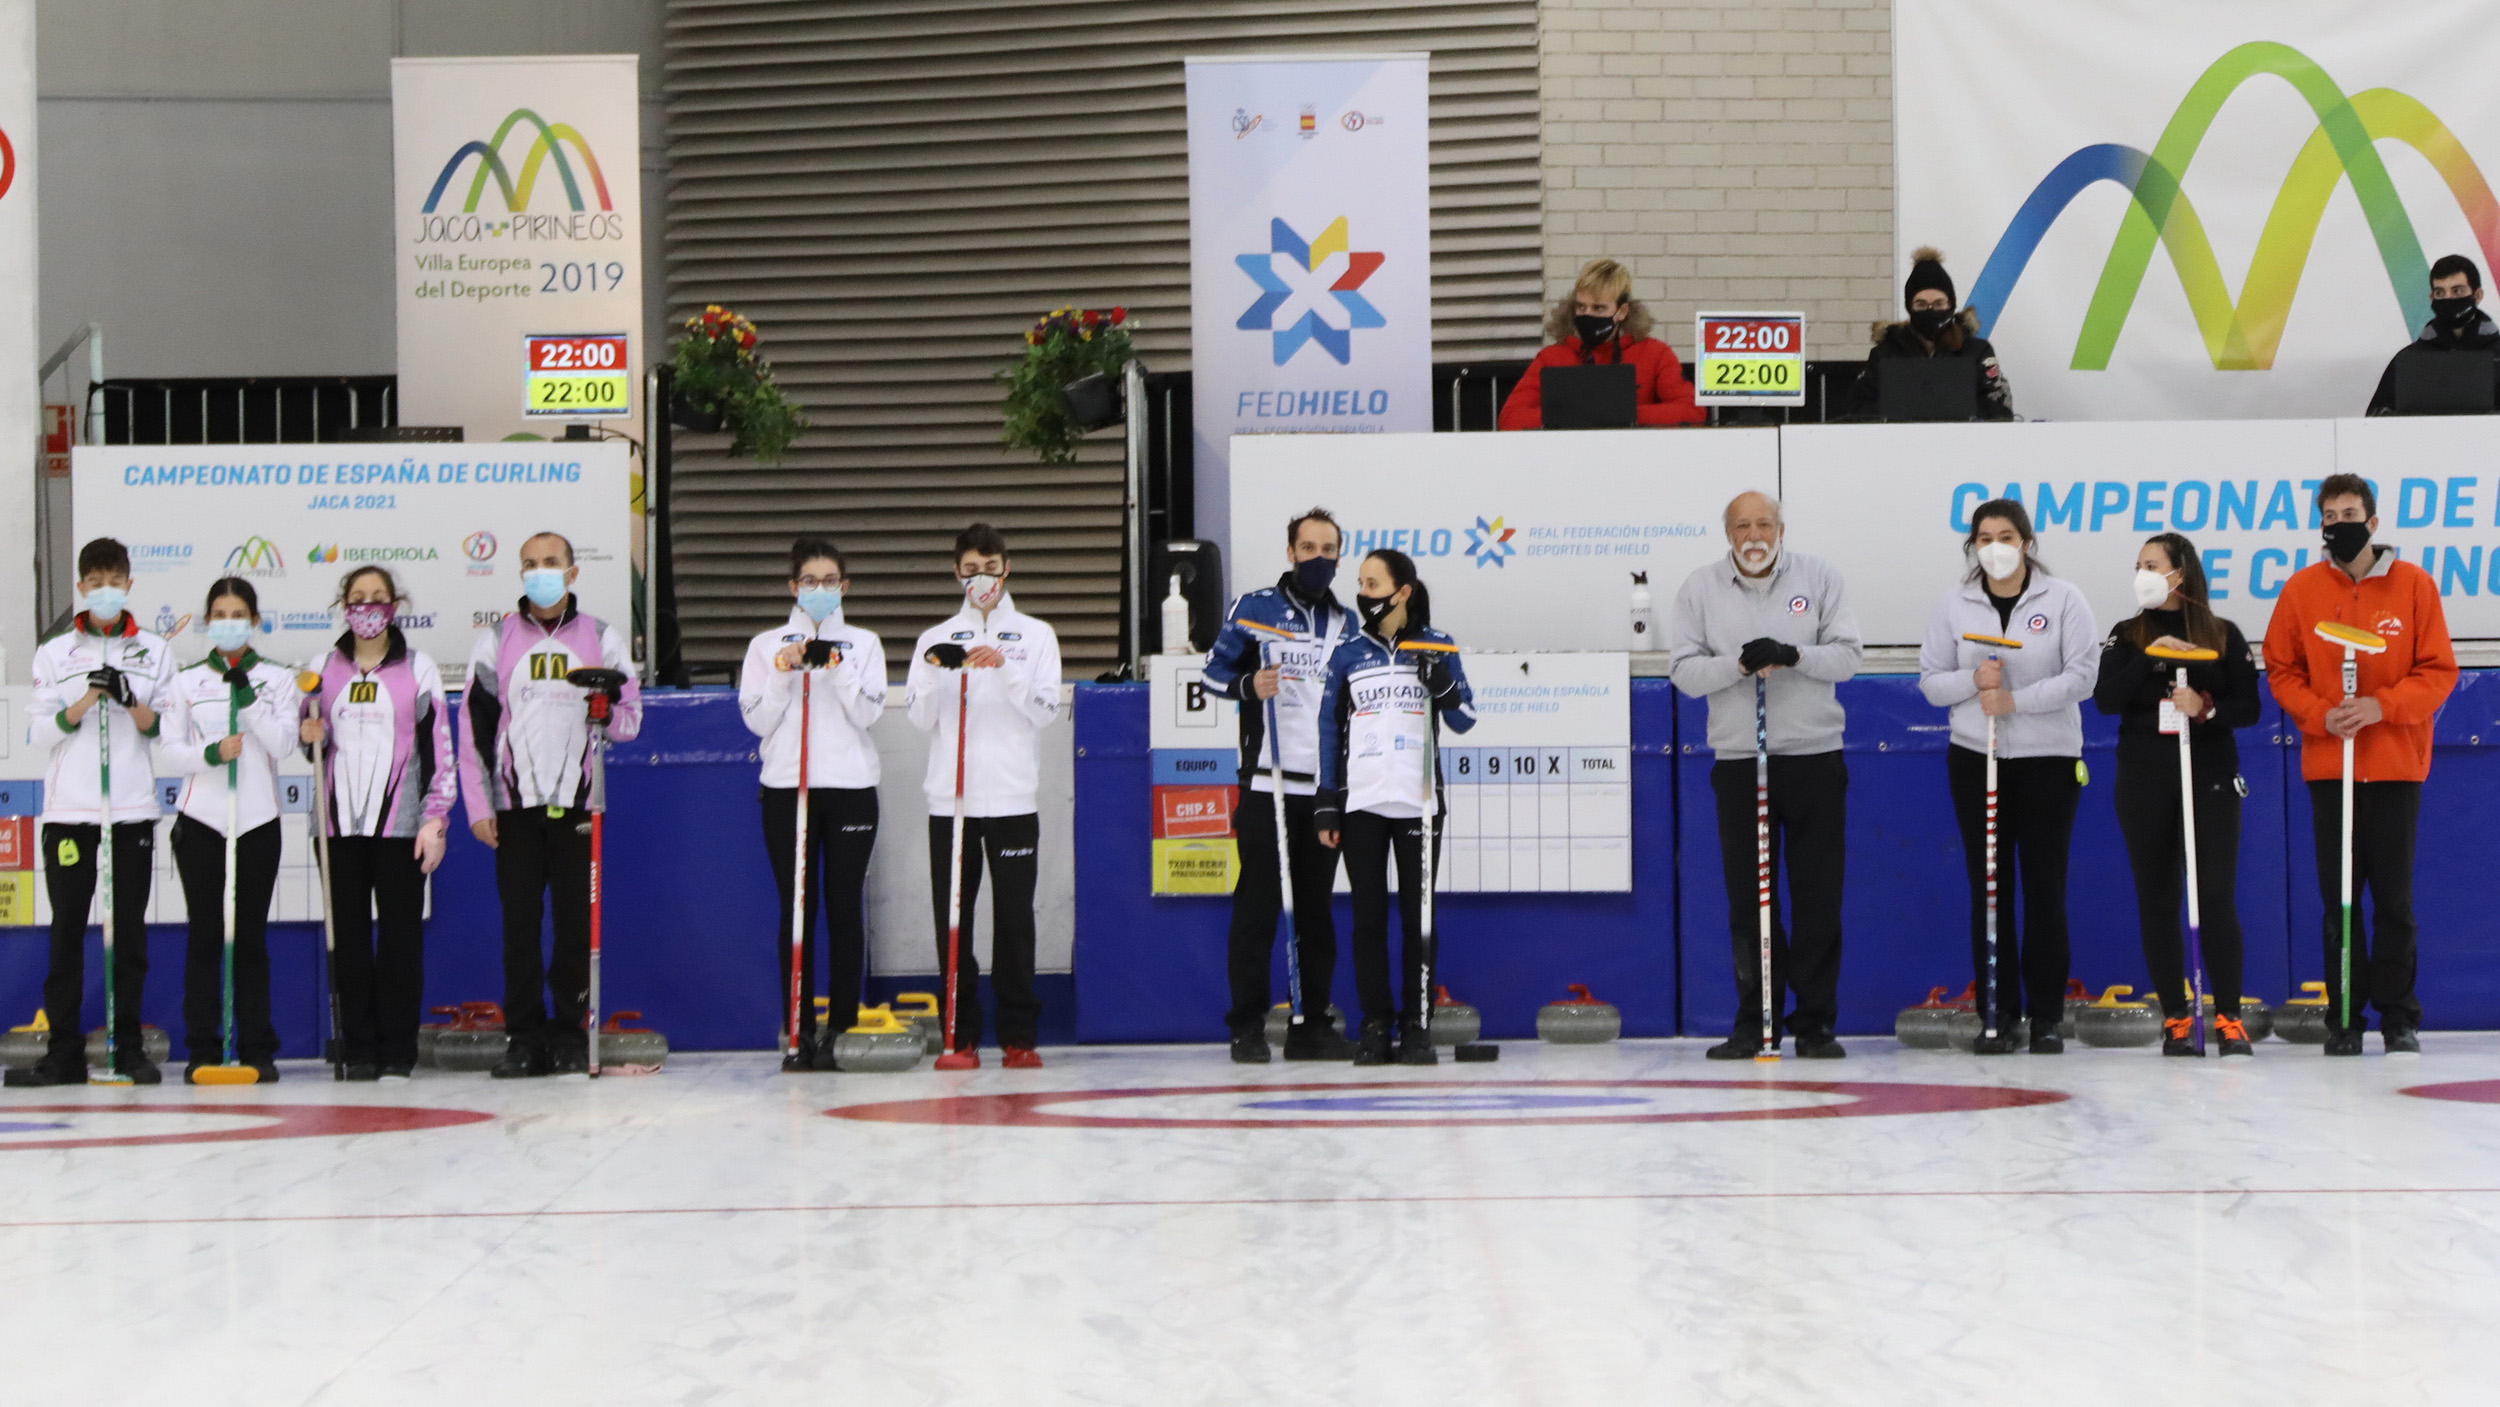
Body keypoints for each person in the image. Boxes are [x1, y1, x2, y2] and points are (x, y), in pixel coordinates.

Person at [2262, 474, 2457, 1056]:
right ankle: (2344, 1017)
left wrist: (2381, 706)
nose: (2339, 523)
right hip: (2331, 769)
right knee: (2340, 899)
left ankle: (2399, 1017)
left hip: (2396, 765)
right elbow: (2281, 669)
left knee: (2393, 899)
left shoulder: (2414, 585)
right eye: (2330, 514)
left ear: (2372, 522)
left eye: (2350, 512)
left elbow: (2438, 670)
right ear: (2320, 525)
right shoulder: (2301, 590)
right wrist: (2322, 716)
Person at [1667, 491, 1862, 1060]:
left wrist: (1794, 654)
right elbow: (1681, 671)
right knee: (1750, 899)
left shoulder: (1820, 578)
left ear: (1782, 529)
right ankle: (1756, 1021)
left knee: (1819, 895)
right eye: (1742, 526)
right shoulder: (1699, 588)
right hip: (1739, 764)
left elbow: (1848, 658)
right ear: (1727, 533)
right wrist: (1736, 666)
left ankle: (1816, 1022)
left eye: (1765, 524)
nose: (1754, 535)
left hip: (1814, 757)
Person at [458, 531, 642, 1078]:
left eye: (551, 562)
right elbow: (473, 729)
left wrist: (604, 710)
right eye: (530, 564)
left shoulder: (601, 638)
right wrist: (478, 806)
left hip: (579, 805)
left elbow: (631, 722)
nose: (541, 572)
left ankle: (568, 1035)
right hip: (514, 807)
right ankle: (523, 1039)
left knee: (573, 927)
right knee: (519, 926)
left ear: (571, 573)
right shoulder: (496, 640)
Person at [1917, 499, 2094, 1054]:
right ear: (1972, 545)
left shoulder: (2063, 598)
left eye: (2007, 536)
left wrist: (2015, 700)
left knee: (2045, 888)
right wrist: (1974, 680)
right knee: (1989, 891)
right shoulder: (1954, 605)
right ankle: (1998, 1013)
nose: (1996, 546)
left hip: (2048, 761)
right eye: (1985, 537)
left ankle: (2045, 1017)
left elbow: (2082, 676)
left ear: (2026, 542)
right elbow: (1930, 682)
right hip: (1976, 758)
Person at [6, 539, 174, 1087]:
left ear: (128, 584)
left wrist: (130, 700)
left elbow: (164, 733)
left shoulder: (154, 650)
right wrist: (82, 703)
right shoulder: (56, 651)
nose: (105, 589)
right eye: (94, 580)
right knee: (67, 933)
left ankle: (126, 1048)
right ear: (81, 587)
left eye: (114, 579)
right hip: (70, 812)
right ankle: (63, 1052)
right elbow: (37, 732)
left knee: (129, 934)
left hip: (130, 812)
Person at [2093, 534, 2262, 1057]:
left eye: (2153, 564)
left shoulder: (2223, 633)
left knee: (2214, 898)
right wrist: (2154, 656)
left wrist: (2204, 706)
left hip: (2209, 776)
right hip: (2144, 779)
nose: (2142, 572)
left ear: (2180, 573)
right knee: (2159, 899)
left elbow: (2250, 707)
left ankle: (2229, 1018)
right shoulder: (2126, 634)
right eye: (2138, 564)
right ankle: (2176, 1019)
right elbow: (2105, 700)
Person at [1201, 507, 1360, 1063]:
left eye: (1329, 548)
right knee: (1258, 908)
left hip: (1321, 794)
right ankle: (1245, 1025)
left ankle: (1310, 1024)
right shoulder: (1256, 607)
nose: (1318, 557)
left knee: (1315, 913)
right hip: (1267, 786)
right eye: (1308, 547)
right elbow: (1212, 674)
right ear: (1290, 552)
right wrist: (1249, 683)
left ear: (1340, 555)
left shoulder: (1348, 623)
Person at [905, 522, 1062, 1069]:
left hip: (1014, 802)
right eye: (970, 571)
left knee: (1015, 920)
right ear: (956, 574)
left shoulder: (1037, 635)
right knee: (953, 920)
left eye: (991, 569)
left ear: (1007, 569)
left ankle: (1018, 1036)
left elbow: (1045, 711)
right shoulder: (934, 638)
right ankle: (959, 1035)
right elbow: (921, 719)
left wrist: (1006, 670)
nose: (981, 580)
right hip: (950, 805)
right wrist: (932, 675)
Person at [1314, 548, 1477, 1066]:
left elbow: (1466, 717)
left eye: (1375, 584)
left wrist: (1442, 683)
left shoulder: (1435, 643)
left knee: (1417, 919)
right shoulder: (1347, 652)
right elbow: (1328, 730)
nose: (1365, 595)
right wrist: (1326, 804)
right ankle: (1375, 1026)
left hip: (1419, 803)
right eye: (1360, 585)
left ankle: (1418, 1026)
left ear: (1402, 591)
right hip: (1361, 803)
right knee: (1366, 920)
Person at [300, 565, 455, 1080]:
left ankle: (396, 1049)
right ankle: (358, 1048)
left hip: (401, 829)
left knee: (400, 941)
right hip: (337, 829)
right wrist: (308, 732)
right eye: (358, 597)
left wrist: (436, 819)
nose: (368, 606)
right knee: (346, 941)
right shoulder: (322, 667)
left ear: (395, 604)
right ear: (344, 606)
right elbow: (310, 747)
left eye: (378, 597)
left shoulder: (419, 668)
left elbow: (439, 750)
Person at [739, 535, 887, 1072]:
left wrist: (835, 666)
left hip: (850, 790)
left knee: (844, 909)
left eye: (829, 581)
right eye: (809, 581)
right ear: (792, 586)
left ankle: (841, 1031)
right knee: (796, 911)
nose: (819, 590)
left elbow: (870, 712)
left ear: (843, 587)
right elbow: (755, 718)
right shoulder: (765, 645)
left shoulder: (865, 643)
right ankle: (798, 1032)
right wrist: (786, 671)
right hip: (786, 791)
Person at [159, 578, 298, 1083]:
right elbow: (168, 749)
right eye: (219, 613)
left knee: (250, 938)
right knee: (205, 936)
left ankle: (257, 1047)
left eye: (238, 613)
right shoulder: (186, 680)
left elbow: (283, 744)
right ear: (208, 620)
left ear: (255, 621)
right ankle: (203, 1047)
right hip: (202, 822)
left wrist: (250, 699)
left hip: (257, 822)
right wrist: (211, 753)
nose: (229, 621)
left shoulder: (279, 679)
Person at [1496, 258, 1705, 429]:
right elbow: (1510, 419)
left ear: (1621, 312)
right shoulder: (1551, 358)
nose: (1587, 315)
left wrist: (1625, 414)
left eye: (1598, 309)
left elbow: (1692, 412)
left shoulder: (1655, 353)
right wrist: (1577, 415)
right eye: (1581, 307)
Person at [1845, 246, 2015, 420]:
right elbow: (1860, 408)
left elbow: (1998, 406)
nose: (1930, 310)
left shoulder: (1978, 352)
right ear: (1909, 308)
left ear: (1951, 305)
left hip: (1962, 444)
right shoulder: (1885, 354)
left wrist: (1957, 416)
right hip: (1901, 444)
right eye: (1921, 304)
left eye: (1939, 303)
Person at [2366, 253, 2500, 415]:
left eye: (2457, 291)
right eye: (2440, 293)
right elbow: (2374, 421)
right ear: (2432, 297)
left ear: (2477, 295)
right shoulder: (2408, 361)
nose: (2448, 298)